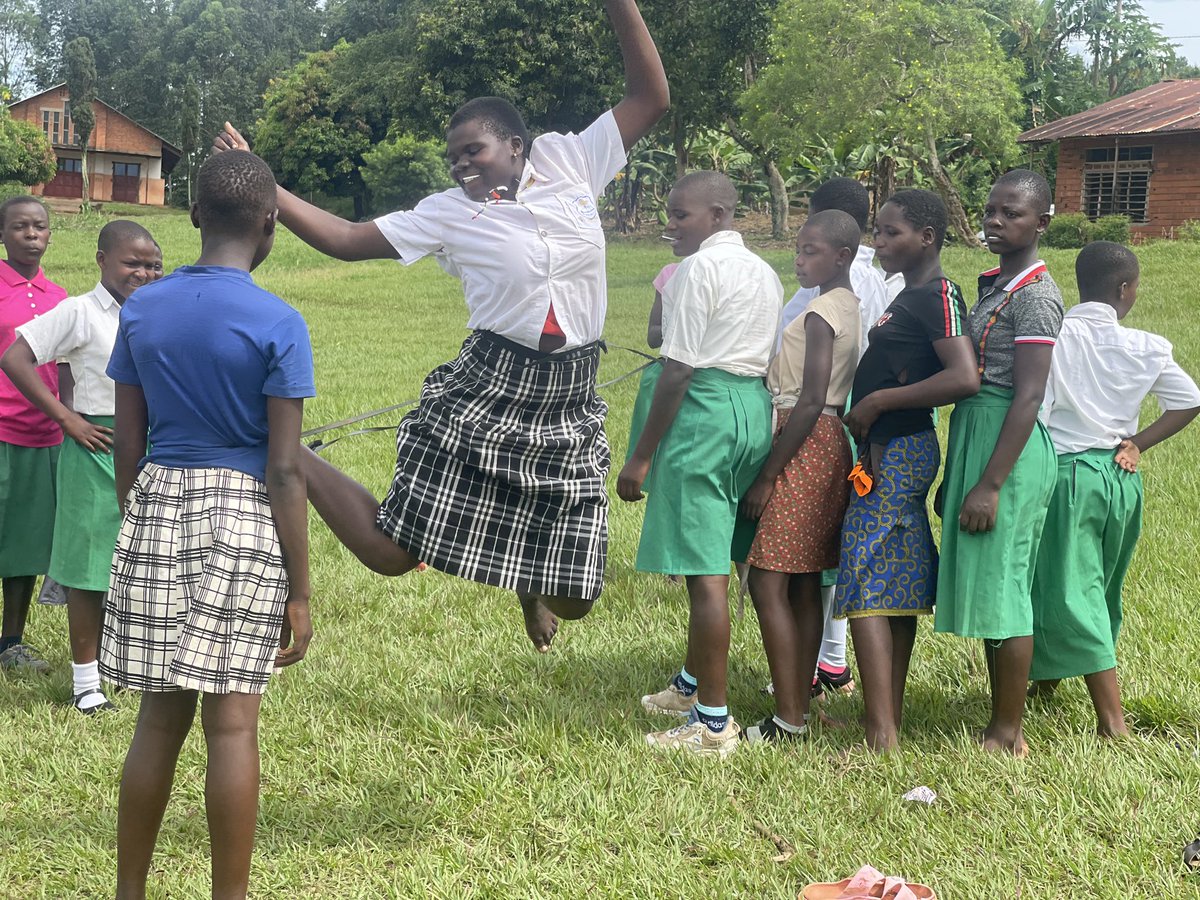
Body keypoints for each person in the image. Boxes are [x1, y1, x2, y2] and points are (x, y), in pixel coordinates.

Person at [212, 0, 669, 654]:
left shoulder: (572, 161)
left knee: (576, 596)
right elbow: (344, 238)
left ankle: (529, 586)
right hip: (489, 385)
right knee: (395, 553)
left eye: (474, 151)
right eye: (454, 158)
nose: (462, 166)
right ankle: (289, 453)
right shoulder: (448, 212)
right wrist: (265, 180)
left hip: (570, 396)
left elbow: (650, 96)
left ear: (515, 145)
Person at [103, 150, 314, 900]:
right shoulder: (280, 322)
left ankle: (130, 890)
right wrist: (302, 587)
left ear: (192, 217)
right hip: (244, 513)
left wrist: (142, 514)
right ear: (271, 224)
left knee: (159, 722)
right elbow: (287, 470)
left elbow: (129, 440)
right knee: (232, 726)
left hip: (158, 499)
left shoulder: (141, 307)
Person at [621, 171, 782, 757]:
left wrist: (640, 457)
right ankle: (691, 686)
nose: (670, 224)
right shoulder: (764, 270)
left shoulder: (698, 271)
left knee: (705, 573)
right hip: (749, 411)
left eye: (681, 214)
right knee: (715, 554)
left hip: (704, 414)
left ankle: (712, 725)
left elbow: (679, 368)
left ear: (718, 214)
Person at [1029, 241, 1199, 736]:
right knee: (1100, 585)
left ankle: (1112, 721)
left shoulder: (1056, 335)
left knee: (1062, 584)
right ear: (1125, 290)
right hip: (1120, 480)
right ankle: (1047, 683)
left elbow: (1037, 409)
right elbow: (1187, 401)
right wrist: (1138, 443)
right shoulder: (1146, 345)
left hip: (1068, 474)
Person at [833, 190, 979, 751]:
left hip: (899, 449)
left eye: (893, 232)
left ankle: (880, 731)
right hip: (888, 449)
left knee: (866, 574)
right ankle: (886, 716)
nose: (880, 242)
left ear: (928, 237)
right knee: (895, 576)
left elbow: (963, 376)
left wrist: (878, 404)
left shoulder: (937, 294)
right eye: (879, 231)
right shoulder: (910, 294)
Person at [1, 220, 162, 712]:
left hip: (153, 449)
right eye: (132, 263)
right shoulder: (78, 312)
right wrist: (68, 419)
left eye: (153, 265)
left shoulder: (160, 311)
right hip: (98, 447)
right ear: (102, 260)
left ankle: (127, 666)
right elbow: (15, 358)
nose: (144, 273)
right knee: (91, 571)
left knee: (141, 568)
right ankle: (86, 685)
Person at [933, 169, 1064, 757]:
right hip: (979, 433)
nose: (994, 221)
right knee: (991, 583)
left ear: (1042, 222)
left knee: (1006, 584)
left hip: (1006, 446)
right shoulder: (997, 286)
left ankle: (1008, 731)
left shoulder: (1036, 295)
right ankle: (999, 710)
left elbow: (1029, 395)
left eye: (1010, 213)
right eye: (990, 211)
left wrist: (988, 484)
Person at [736, 210, 860, 744]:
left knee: (768, 578)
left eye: (811, 250)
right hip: (826, 441)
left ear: (842, 257)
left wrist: (767, 476)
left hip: (803, 438)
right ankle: (798, 705)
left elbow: (810, 399)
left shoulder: (820, 312)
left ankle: (787, 717)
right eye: (798, 248)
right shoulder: (849, 305)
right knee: (806, 580)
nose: (799, 258)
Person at [775, 177, 891, 700]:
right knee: (828, 548)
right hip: (852, 423)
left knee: (801, 558)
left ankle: (820, 667)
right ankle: (830, 659)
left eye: (807, 246)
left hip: (817, 421)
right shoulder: (879, 281)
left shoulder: (828, 295)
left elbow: (808, 384)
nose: (801, 257)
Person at [0, 195, 66, 674]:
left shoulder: (59, 298)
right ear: (3, 233)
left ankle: (11, 642)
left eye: (39, 227)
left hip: (41, 433)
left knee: (24, 543)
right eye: (20, 227)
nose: (31, 235)